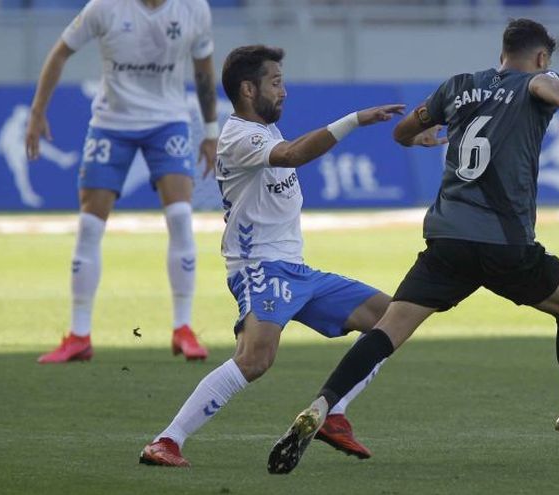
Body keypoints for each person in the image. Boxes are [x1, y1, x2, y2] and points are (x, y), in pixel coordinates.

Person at [268, 18, 559, 475]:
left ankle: (322, 404)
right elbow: (544, 85)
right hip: (505, 243)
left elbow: (402, 132)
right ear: (542, 57)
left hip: (447, 240)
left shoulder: (458, 86)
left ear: (501, 52)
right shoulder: (542, 79)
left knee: (386, 331)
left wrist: (422, 135)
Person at [138, 45, 405, 467]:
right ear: (248, 89)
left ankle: (333, 412)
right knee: (255, 359)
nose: (284, 91)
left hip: (296, 270)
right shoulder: (240, 137)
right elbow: (294, 155)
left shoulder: (264, 129)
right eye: (276, 83)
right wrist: (355, 119)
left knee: (390, 318)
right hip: (259, 267)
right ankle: (167, 440)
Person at [26, 0, 219, 363]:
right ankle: (79, 335)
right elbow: (60, 52)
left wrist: (210, 130)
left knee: (180, 217)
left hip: (168, 121)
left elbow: (204, 68)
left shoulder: (194, 8)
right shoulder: (105, 7)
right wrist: (37, 113)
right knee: (89, 225)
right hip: (112, 124)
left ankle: (183, 328)